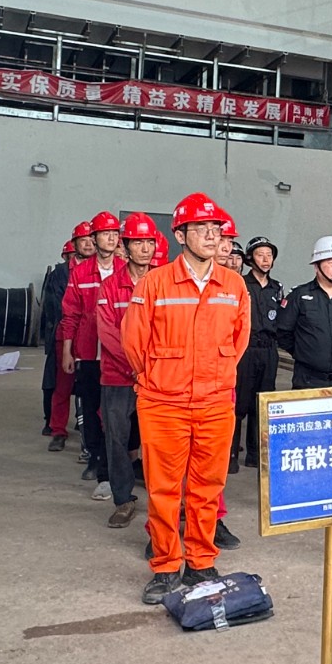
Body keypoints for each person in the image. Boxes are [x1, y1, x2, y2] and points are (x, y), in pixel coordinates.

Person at [122, 193, 251, 604]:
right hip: (163, 402)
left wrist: (215, 377)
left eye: (216, 229)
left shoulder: (234, 285)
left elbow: (239, 340)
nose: (212, 236)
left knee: (207, 487)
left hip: (215, 402)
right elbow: (134, 342)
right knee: (163, 490)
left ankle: (200, 561)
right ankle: (165, 566)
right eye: (201, 228)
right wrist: (157, 379)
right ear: (180, 235)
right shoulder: (154, 283)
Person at [93, 213, 160, 527]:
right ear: (126, 245)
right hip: (118, 376)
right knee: (117, 440)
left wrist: (152, 367)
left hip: (156, 377)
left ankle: (163, 501)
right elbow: (107, 333)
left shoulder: (163, 284)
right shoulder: (110, 287)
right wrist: (136, 365)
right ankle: (123, 499)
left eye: (149, 242)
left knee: (158, 441)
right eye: (138, 242)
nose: (145, 249)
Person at [60, 211, 121, 491]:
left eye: (114, 234)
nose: (111, 238)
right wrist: (67, 351)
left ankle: (115, 461)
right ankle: (95, 457)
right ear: (94, 238)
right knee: (90, 407)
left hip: (117, 355)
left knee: (114, 412)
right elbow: (70, 314)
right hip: (87, 353)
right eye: (105, 233)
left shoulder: (124, 270)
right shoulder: (81, 273)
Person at [276, 236, 332, 389]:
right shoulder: (300, 296)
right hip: (309, 380)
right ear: (316, 266)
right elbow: (283, 332)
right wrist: (304, 353)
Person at [232, 235, 283, 472]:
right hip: (246, 349)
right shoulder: (240, 284)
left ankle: (255, 454)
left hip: (269, 350)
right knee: (239, 403)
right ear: (250, 258)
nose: (265, 259)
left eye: (269, 255)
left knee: (262, 402)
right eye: (260, 255)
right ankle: (231, 455)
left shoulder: (277, 288)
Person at [41, 237, 76, 447]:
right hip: (65, 335)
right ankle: (56, 428)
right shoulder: (60, 274)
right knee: (60, 386)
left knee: (92, 391)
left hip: (91, 336)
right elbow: (57, 309)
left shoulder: (100, 270)